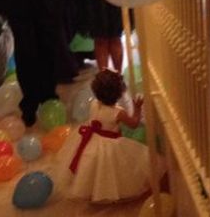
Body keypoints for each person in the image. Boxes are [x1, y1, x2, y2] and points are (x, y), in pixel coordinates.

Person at [53, 69, 151, 203]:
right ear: (119, 93)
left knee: (90, 168)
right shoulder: (118, 112)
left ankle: (92, 190)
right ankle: (110, 191)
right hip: (109, 144)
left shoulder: (93, 104)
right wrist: (138, 108)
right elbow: (134, 124)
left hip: (91, 140)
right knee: (112, 168)